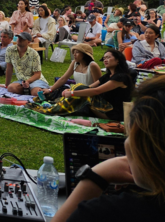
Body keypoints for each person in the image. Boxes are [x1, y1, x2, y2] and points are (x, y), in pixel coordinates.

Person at [54, 76, 165, 222]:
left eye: (128, 134)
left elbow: (96, 90)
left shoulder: (108, 212)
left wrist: (95, 178)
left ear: (139, 139)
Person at [60, 49, 134, 121]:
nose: (105, 60)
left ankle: (57, 110)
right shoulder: (108, 75)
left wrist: (72, 93)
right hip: (104, 107)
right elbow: (89, 87)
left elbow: (96, 91)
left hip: (113, 113)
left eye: (108, 57)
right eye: (104, 58)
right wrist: (70, 90)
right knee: (81, 89)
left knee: (85, 97)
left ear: (118, 60)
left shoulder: (121, 77)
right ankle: (58, 108)